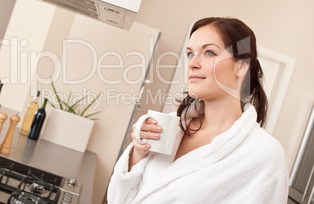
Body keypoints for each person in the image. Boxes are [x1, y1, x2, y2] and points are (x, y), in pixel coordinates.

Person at [107, 17, 289, 204]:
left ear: (241, 66)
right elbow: (119, 199)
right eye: (190, 54)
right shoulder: (171, 126)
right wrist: (138, 153)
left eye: (209, 52)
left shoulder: (263, 155)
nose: (192, 63)